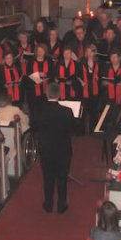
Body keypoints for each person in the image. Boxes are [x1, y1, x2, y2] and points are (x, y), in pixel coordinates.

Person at [31, 83, 75, 213]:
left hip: (46, 149)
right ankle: (62, 205)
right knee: (62, 177)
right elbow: (73, 130)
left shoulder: (39, 111)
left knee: (47, 177)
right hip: (63, 149)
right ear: (59, 95)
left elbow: (34, 128)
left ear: (46, 93)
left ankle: (48, 204)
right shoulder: (67, 111)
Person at [26, 44, 54, 110]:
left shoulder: (49, 61)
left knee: (46, 110)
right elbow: (28, 76)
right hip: (34, 92)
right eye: (38, 51)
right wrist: (38, 74)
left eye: (42, 51)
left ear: (45, 52)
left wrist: (45, 75)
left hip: (46, 91)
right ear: (36, 52)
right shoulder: (31, 62)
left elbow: (53, 74)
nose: (40, 53)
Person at [81, 44, 102, 131]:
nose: (89, 54)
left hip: (94, 89)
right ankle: (83, 130)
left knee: (94, 111)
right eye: (88, 51)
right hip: (85, 89)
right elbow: (78, 75)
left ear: (94, 52)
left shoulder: (98, 62)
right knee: (85, 111)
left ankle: (94, 130)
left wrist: (99, 78)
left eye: (91, 51)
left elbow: (101, 75)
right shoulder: (82, 62)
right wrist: (81, 81)